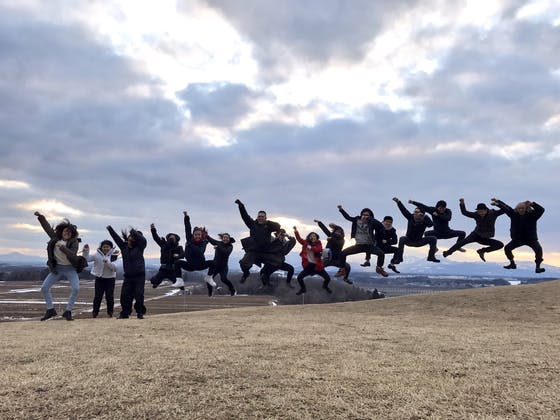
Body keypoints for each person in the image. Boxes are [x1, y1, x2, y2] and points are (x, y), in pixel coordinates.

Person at [35, 211, 86, 321]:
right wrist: (41, 217)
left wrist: (62, 247)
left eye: (70, 232)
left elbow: (72, 254)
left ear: (72, 234)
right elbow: (47, 228)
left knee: (76, 288)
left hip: (70, 269)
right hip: (57, 268)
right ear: (62, 231)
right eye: (65, 231)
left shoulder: (74, 242)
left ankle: (68, 311)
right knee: (44, 288)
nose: (67, 233)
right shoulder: (55, 238)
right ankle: (50, 310)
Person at [491, 198, 546, 273]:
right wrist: (498, 202)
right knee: (507, 248)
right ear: (516, 209)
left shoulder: (533, 215)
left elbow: (541, 210)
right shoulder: (513, 214)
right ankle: (512, 264)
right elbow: (506, 208)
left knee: (539, 250)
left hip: (531, 239)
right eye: (519, 208)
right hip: (517, 239)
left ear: (526, 208)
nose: (520, 210)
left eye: (522, 208)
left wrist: (532, 204)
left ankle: (538, 268)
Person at [235, 199, 282, 283]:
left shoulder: (268, 226)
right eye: (259, 216)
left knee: (278, 262)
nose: (260, 218)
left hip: (265, 251)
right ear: (257, 217)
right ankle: (246, 273)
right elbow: (245, 216)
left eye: (262, 216)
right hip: (253, 251)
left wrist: (268, 222)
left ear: (265, 218)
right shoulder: (252, 224)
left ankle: (265, 275)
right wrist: (241, 206)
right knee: (243, 263)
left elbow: (278, 226)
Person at [337, 205, 389, 280]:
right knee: (343, 253)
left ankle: (379, 268)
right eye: (363, 214)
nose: (364, 216)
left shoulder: (372, 222)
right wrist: (341, 209)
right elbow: (348, 217)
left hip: (369, 245)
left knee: (381, 253)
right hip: (359, 245)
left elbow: (381, 226)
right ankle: (342, 270)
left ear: (370, 217)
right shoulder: (356, 220)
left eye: (367, 215)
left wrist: (371, 219)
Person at [107, 225, 147, 319]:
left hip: (139, 276)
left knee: (139, 294)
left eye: (133, 237)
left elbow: (143, 240)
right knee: (124, 295)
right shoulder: (124, 247)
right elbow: (116, 238)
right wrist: (110, 229)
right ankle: (125, 313)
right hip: (128, 276)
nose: (131, 238)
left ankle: (140, 312)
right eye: (131, 236)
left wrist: (133, 231)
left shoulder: (140, 247)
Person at [175, 211, 215, 296]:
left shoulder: (204, 242)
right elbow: (187, 228)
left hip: (200, 265)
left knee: (213, 263)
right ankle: (179, 280)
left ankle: (208, 278)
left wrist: (190, 245)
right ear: (193, 235)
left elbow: (199, 251)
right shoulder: (189, 239)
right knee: (177, 263)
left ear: (201, 235)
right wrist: (186, 217)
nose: (197, 236)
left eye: (199, 235)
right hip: (190, 265)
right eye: (195, 234)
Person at [390, 198, 440, 266]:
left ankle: (431, 257)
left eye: (417, 212)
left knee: (433, 238)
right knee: (402, 238)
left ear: (422, 214)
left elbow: (431, 225)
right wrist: (398, 202)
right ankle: (399, 258)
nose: (415, 213)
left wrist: (425, 217)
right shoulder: (410, 217)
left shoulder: (424, 220)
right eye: (415, 212)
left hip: (419, 241)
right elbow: (403, 210)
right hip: (409, 240)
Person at [83, 240, 118, 318]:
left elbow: (115, 268)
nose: (105, 248)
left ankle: (110, 312)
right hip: (99, 278)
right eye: (104, 247)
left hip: (110, 279)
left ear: (111, 248)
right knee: (98, 296)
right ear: (101, 247)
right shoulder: (97, 255)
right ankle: (95, 312)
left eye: (107, 247)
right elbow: (87, 259)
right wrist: (86, 250)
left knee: (109, 296)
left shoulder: (114, 255)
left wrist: (108, 262)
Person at [293, 227, 332, 295]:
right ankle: (303, 289)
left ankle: (325, 286)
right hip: (309, 266)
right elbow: (299, 239)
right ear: (309, 237)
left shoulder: (318, 243)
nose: (313, 237)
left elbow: (319, 250)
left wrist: (311, 247)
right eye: (311, 236)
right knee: (299, 278)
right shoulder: (305, 243)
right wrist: (296, 231)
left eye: (314, 236)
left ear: (316, 238)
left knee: (328, 278)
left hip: (318, 266)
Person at [149, 224, 185, 289]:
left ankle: (181, 287)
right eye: (170, 238)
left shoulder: (179, 247)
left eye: (173, 238)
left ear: (176, 240)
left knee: (180, 285)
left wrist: (178, 256)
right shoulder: (163, 245)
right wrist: (153, 229)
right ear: (167, 239)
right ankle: (156, 282)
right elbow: (156, 238)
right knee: (153, 281)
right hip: (164, 269)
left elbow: (183, 255)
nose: (171, 239)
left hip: (173, 270)